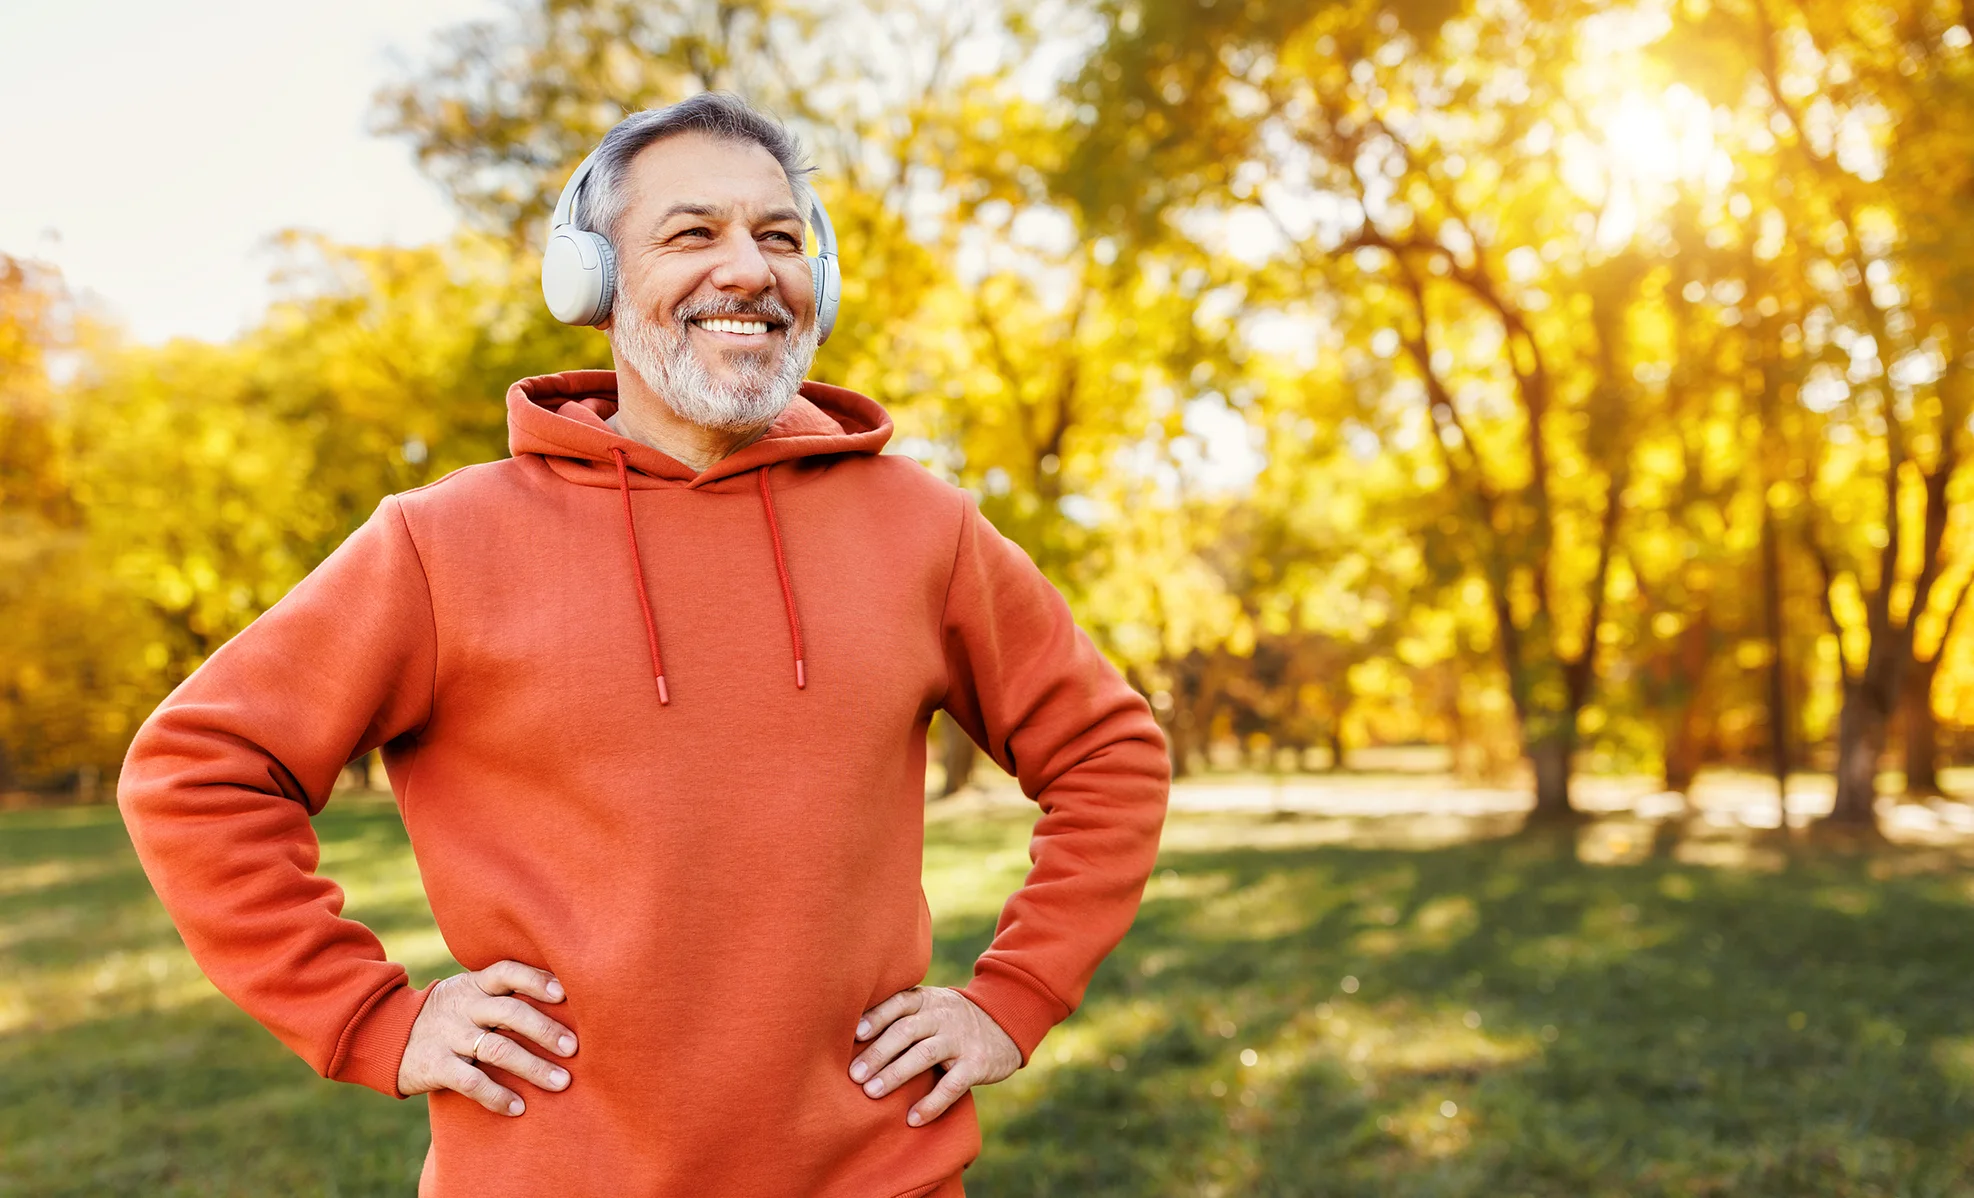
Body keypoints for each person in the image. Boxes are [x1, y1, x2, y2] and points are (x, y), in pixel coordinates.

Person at [116, 92, 1170, 1197]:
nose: (749, 269)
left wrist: (1014, 997)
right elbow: (196, 772)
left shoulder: (926, 529)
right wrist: (372, 1015)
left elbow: (1109, 755)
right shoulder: (439, 543)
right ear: (593, 281)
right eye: (692, 232)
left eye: (780, 236)